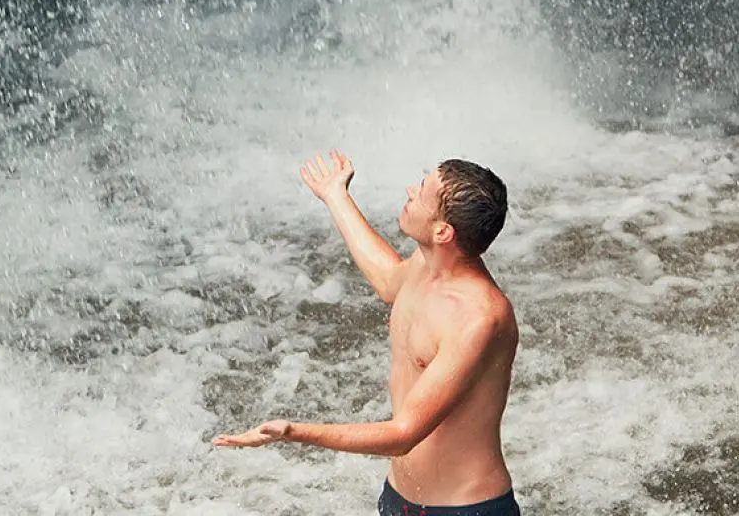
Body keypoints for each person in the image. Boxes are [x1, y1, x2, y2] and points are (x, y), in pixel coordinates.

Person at [214, 150, 521, 516]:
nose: (410, 191)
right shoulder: (429, 264)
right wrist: (335, 196)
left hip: (466, 508)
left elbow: (404, 434)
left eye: (421, 193)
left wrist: (294, 432)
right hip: (398, 498)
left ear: (443, 231)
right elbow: (390, 280)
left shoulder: (478, 318)